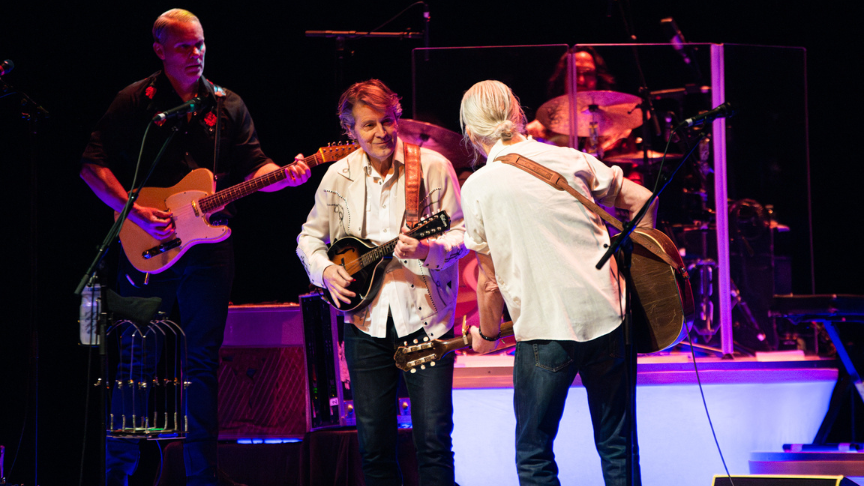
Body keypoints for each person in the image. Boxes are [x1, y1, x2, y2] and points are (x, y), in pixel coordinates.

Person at [79, 9, 310, 485]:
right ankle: (117, 474)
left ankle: (200, 477)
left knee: (203, 361)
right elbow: (91, 166)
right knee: (135, 357)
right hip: (147, 245)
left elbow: (255, 166)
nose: (196, 54)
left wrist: (281, 178)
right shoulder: (137, 101)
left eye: (201, 44)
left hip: (208, 248)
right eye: (184, 46)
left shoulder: (228, 105)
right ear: (160, 49)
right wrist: (136, 212)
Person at [459, 80, 656, 486]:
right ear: (518, 114)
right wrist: (639, 275)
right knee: (618, 445)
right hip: (609, 316)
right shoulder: (569, 159)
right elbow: (643, 200)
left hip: (544, 330)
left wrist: (488, 335)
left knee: (534, 455)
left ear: (470, 132)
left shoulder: (477, 186)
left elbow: (490, 282)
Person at [296, 79, 467, 486]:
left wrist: (428, 250)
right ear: (350, 130)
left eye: (387, 122)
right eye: (368, 125)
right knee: (373, 450)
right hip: (365, 324)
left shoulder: (432, 167)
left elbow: (462, 235)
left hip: (428, 322)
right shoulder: (339, 176)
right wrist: (324, 270)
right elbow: (307, 237)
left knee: (433, 445)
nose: (381, 133)